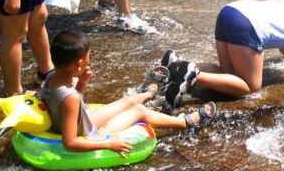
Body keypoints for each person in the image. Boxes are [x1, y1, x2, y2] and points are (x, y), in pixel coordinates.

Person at [42, 31, 216, 154]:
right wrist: (108, 144)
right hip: (88, 133)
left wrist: (82, 83)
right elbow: (70, 142)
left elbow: (68, 107)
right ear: (78, 64)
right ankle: (186, 122)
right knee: (140, 111)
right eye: (88, 60)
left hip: (83, 121)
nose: (89, 64)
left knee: (128, 101)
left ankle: (149, 93)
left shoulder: (51, 77)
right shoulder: (70, 98)